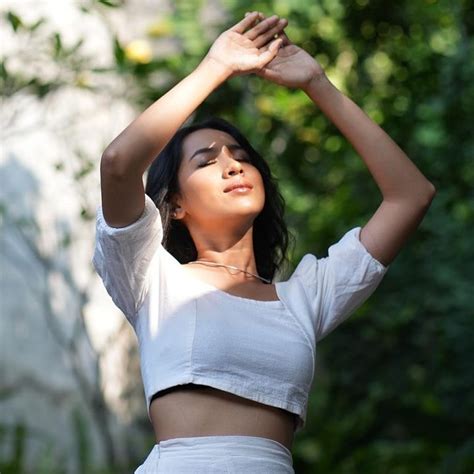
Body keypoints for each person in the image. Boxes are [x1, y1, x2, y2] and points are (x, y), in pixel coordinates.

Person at [92, 11, 436, 473]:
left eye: (241, 156)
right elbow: (118, 164)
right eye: (206, 161)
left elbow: (411, 196)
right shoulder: (152, 278)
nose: (233, 165)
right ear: (175, 205)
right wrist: (217, 66)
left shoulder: (305, 298)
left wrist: (318, 84)